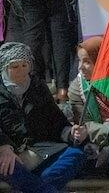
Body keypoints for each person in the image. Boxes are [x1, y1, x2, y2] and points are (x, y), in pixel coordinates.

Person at [0, 42, 87, 193]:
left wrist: (71, 132)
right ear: (4, 68)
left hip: (40, 148)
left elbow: (57, 120)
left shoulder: (38, 86)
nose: (21, 71)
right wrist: (4, 146)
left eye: (24, 65)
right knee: (7, 165)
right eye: (15, 67)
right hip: (9, 153)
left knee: (76, 154)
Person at [67, 37, 109, 172]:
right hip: (101, 146)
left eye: (87, 62)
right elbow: (85, 127)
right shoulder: (78, 88)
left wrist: (96, 129)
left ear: (102, 61)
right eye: (79, 61)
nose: (80, 68)